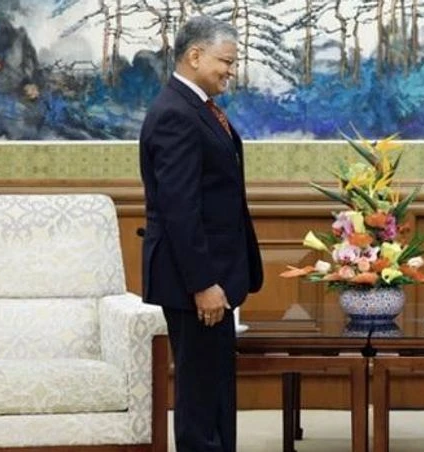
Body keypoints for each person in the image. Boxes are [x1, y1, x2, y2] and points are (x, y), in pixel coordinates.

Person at [138, 15, 263, 452]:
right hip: (194, 283)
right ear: (194, 55)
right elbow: (180, 210)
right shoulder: (175, 114)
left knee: (214, 393)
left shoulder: (196, 107)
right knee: (198, 401)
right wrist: (203, 284)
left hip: (213, 278)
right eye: (225, 61)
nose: (231, 71)